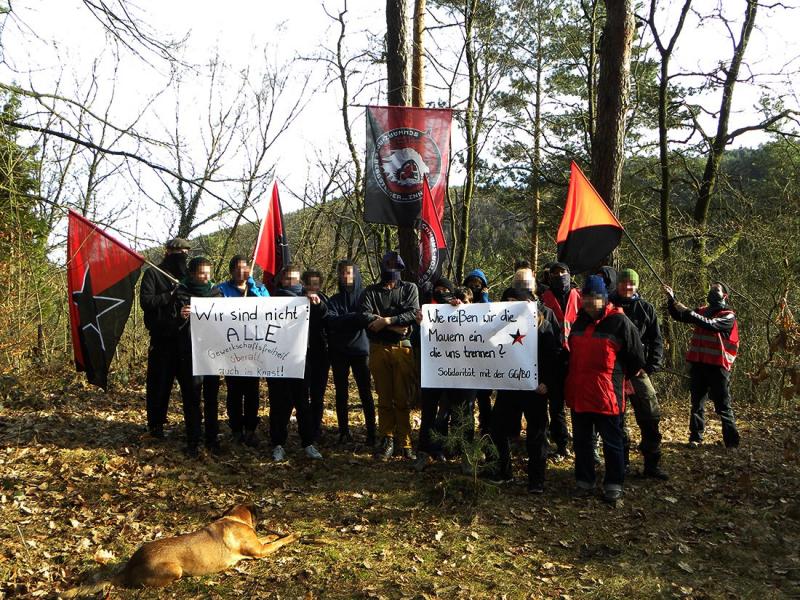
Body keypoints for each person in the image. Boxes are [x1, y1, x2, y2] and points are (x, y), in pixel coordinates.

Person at [566, 275, 645, 504]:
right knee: (582, 441)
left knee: (612, 442)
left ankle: (613, 484)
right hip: (580, 394)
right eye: (586, 297)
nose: (590, 302)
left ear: (604, 298)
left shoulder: (620, 322)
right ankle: (584, 480)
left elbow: (636, 358)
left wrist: (618, 378)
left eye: (595, 297)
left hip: (607, 396)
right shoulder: (579, 322)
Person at [487, 267, 562, 493]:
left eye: (525, 287)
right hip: (509, 385)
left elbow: (556, 354)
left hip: (534, 388)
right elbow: (477, 331)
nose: (518, 294)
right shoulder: (500, 314)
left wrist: (548, 383)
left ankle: (536, 480)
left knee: (537, 434)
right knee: (497, 428)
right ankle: (503, 472)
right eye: (516, 287)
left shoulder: (546, 317)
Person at [664, 281, 740, 449]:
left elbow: (709, 324)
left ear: (724, 295)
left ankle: (732, 442)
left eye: (717, 289)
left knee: (723, 406)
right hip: (698, 365)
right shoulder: (702, 310)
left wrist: (688, 311)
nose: (712, 291)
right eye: (711, 288)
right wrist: (672, 299)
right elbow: (680, 316)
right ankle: (695, 437)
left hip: (718, 367)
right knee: (697, 403)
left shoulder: (728, 315)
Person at [360, 251, 420, 460]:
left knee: (403, 399)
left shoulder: (409, 288)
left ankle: (405, 443)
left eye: (395, 270)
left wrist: (385, 321)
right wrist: (395, 326)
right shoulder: (371, 291)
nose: (391, 274)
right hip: (378, 348)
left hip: (403, 348)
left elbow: (413, 313)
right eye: (388, 269)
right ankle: (386, 440)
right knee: (384, 398)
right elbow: (365, 316)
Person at [611, 269, 668, 479]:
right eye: (624, 283)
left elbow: (657, 340)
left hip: (639, 372)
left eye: (631, 284)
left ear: (637, 286)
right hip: (614, 373)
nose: (628, 287)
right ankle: (621, 462)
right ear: (618, 285)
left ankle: (651, 464)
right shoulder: (608, 306)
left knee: (650, 415)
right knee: (617, 418)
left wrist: (651, 366)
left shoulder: (646, 308)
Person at [267, 265, 325, 461]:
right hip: (276, 359)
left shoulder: (309, 298)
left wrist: (317, 304)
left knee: (303, 403)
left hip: (301, 359)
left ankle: (308, 443)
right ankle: (278, 444)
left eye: (295, 279)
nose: (292, 282)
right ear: (282, 281)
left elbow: (323, 318)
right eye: (288, 279)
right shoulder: (271, 301)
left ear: (300, 281)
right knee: (278, 404)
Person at [215, 255, 270, 447]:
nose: (240, 271)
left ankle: (251, 430)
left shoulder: (260, 289)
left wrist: (253, 286)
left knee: (252, 391)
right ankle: (236, 430)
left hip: (254, 348)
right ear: (231, 270)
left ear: (249, 270)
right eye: (237, 268)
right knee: (234, 392)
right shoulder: (221, 290)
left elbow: (268, 308)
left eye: (244, 268)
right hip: (231, 349)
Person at [139, 237, 191, 439]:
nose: (182, 257)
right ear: (168, 253)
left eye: (185, 254)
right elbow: (146, 301)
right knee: (159, 385)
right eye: (178, 254)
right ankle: (155, 425)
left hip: (186, 340)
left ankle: (192, 426)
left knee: (189, 387)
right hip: (162, 339)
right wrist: (170, 294)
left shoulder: (188, 277)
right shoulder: (153, 273)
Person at [175, 256, 223, 458]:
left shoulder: (216, 293)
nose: (206, 277)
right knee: (192, 398)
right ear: (193, 274)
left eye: (209, 273)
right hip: (189, 353)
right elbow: (170, 325)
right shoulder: (180, 293)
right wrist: (180, 316)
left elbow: (225, 321)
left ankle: (212, 438)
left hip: (213, 353)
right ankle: (193, 439)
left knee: (212, 397)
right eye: (202, 273)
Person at [327, 260, 376, 446]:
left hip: (361, 351)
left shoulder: (365, 297)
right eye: (342, 273)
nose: (345, 276)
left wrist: (345, 319)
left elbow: (366, 319)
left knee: (365, 393)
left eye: (349, 272)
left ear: (355, 274)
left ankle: (372, 433)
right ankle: (343, 432)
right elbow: (331, 321)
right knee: (341, 393)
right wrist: (354, 318)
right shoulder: (334, 299)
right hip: (339, 352)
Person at [539, 261, 580, 459]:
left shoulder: (579, 296)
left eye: (563, 272)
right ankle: (561, 443)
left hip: (576, 357)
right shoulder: (543, 298)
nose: (559, 276)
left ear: (569, 274)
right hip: (553, 357)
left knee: (577, 402)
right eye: (555, 273)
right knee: (555, 405)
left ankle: (583, 443)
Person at [302, 269, 330, 443]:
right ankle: (304, 428)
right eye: (310, 284)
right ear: (303, 284)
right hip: (301, 355)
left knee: (318, 395)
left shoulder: (325, 300)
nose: (313, 287)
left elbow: (329, 319)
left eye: (316, 284)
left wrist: (319, 305)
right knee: (302, 394)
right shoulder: (295, 301)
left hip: (321, 354)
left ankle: (316, 428)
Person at [463, 268, 492, 436]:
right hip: (465, 362)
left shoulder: (486, 302)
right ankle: (466, 436)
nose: (475, 286)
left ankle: (486, 433)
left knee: (484, 399)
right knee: (467, 403)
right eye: (472, 283)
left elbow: (488, 315)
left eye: (478, 284)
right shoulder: (462, 303)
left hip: (484, 362)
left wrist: (484, 298)